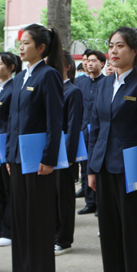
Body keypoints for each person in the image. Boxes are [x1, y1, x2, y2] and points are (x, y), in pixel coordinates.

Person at [88, 27, 137, 272]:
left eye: (120, 46)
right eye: (111, 46)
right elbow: (95, 128)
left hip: (132, 172)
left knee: (132, 236)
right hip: (104, 168)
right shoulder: (105, 83)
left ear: (135, 50)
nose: (114, 51)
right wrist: (91, 168)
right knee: (109, 235)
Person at [4, 24, 64, 272]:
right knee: (20, 220)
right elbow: (12, 120)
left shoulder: (48, 75)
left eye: (26, 42)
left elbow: (55, 120)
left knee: (38, 222)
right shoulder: (19, 78)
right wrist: (9, 154)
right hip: (18, 158)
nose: (21, 46)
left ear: (41, 48)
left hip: (39, 161)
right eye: (21, 42)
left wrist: (49, 158)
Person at [0, 52, 20, 248]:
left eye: (0, 64)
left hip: (5, 144)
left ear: (11, 67)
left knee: (9, 189)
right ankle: (0, 225)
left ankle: (10, 229)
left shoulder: (13, 88)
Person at [56, 51, 84, 256]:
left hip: (63, 153)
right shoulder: (50, 89)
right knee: (51, 196)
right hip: (48, 150)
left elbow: (74, 127)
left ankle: (64, 239)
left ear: (67, 67)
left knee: (64, 196)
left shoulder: (72, 91)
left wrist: (68, 156)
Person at [75, 49, 107, 215]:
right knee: (85, 167)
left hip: (100, 133)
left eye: (93, 61)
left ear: (102, 63)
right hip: (83, 131)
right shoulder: (79, 83)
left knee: (98, 167)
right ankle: (90, 202)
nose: (89, 63)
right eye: (87, 61)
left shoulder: (107, 83)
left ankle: (101, 202)